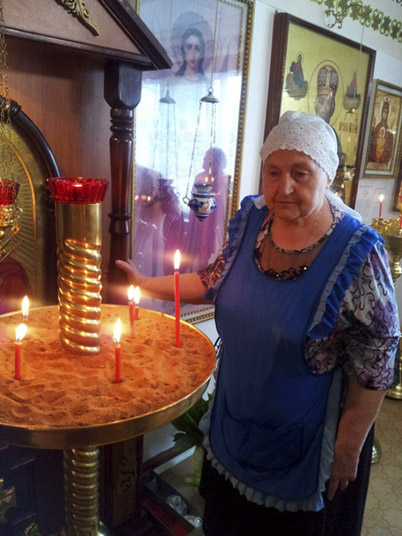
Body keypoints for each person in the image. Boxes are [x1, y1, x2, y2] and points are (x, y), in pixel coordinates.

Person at [116, 111, 399, 536]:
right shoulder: (253, 222)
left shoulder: (358, 253)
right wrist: (144, 283)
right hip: (234, 425)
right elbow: (212, 280)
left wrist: (348, 449)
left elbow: (376, 363)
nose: (283, 187)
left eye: (300, 173)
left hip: (304, 450)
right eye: (273, 172)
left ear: (327, 176)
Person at [182, 147, 230, 273]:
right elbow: (194, 197)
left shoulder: (224, 179)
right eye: (204, 158)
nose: (204, 161)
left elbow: (225, 202)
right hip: (199, 221)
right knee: (196, 250)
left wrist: (215, 198)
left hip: (215, 224)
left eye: (208, 159)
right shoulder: (199, 177)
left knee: (212, 250)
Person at [369, 96, 394, 165]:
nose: (384, 114)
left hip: (382, 161)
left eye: (386, 112)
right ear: (381, 112)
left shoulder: (389, 131)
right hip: (373, 159)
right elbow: (371, 144)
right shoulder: (377, 127)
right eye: (383, 112)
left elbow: (389, 148)